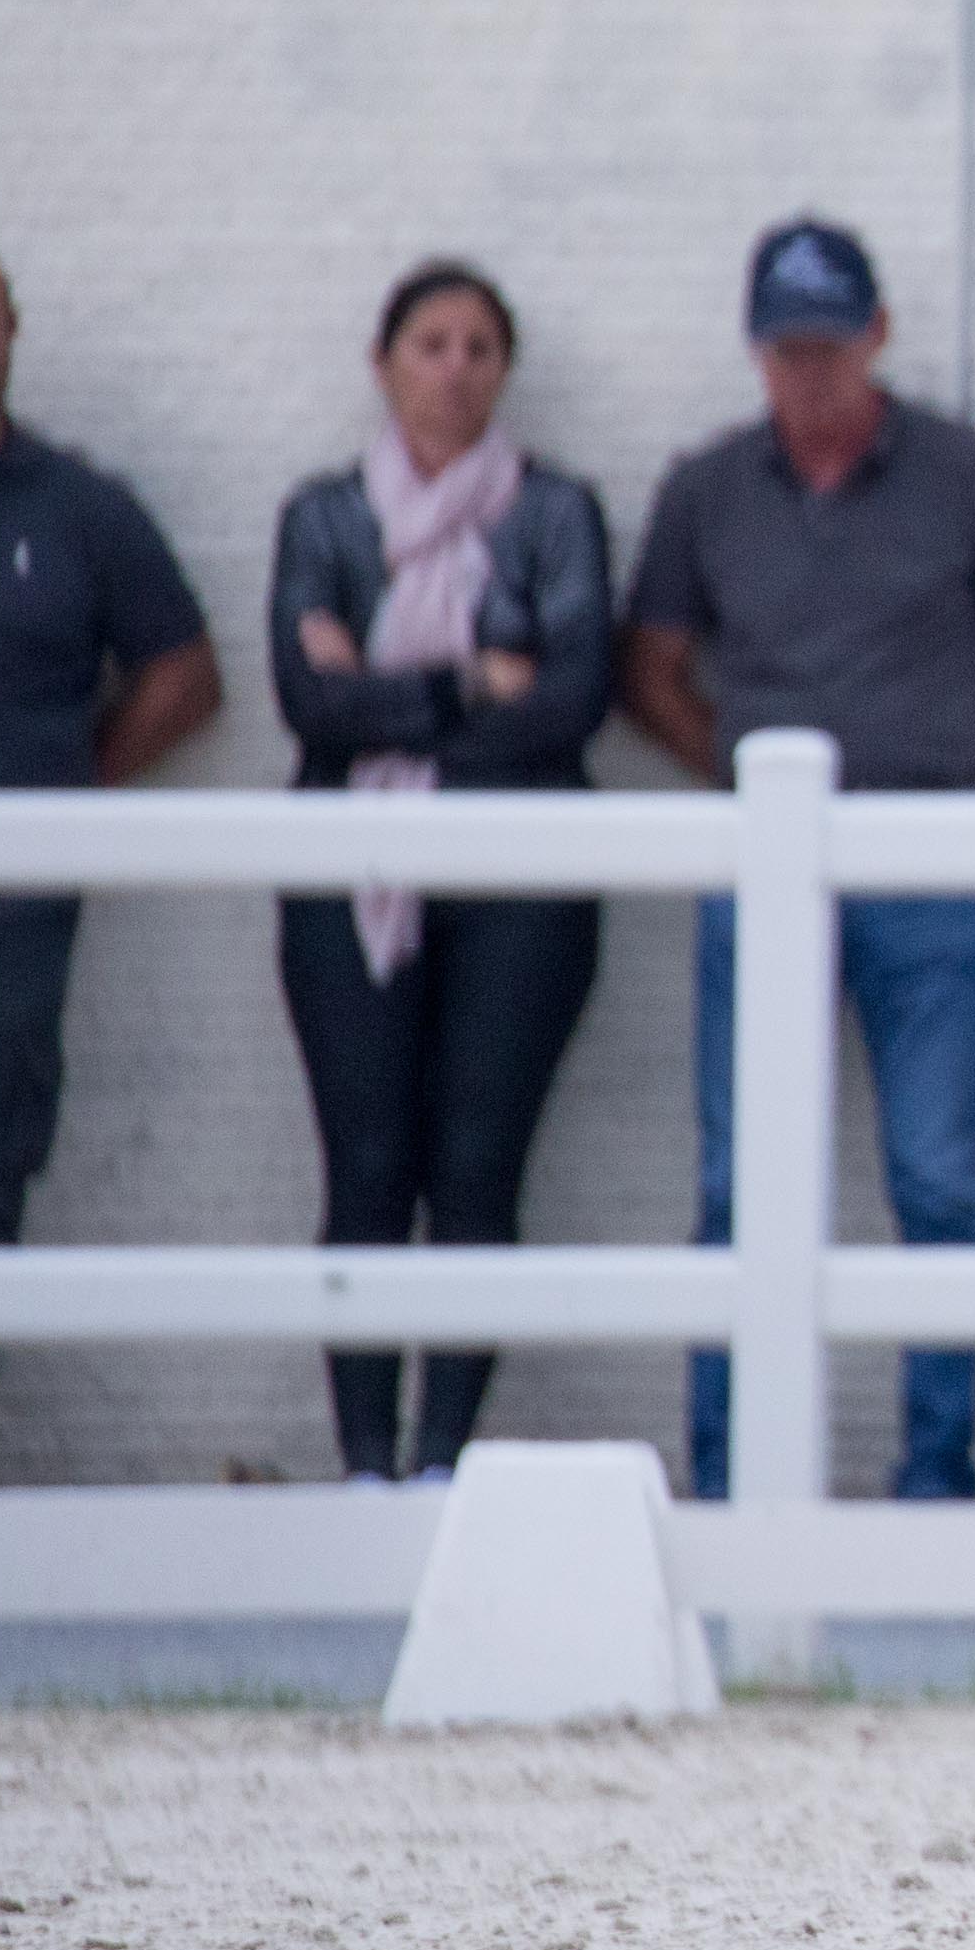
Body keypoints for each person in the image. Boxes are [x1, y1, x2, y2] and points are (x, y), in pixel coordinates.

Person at [620, 217, 975, 1502]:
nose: (811, 375)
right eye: (788, 351)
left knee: (937, 1179)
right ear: (755, 353)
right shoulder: (708, 489)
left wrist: (953, 768)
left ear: (878, 336)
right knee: (739, 1187)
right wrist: (739, 774)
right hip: (764, 875)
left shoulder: (968, 475)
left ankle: (937, 1477)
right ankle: (730, 1482)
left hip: (927, 864)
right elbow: (650, 666)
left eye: (831, 347)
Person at [266, 260, 610, 1488]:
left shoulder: (556, 514)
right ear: (383, 362)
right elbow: (308, 704)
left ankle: (444, 1467)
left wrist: (383, 692)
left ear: (504, 369)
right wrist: (471, 678)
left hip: (522, 878)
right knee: (365, 1164)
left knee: (474, 1166)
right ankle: (363, 1464)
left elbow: (570, 700)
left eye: (477, 347)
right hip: (348, 872)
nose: (454, 369)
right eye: (430, 344)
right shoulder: (324, 516)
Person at [0, 243, 221, 1430]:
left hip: (13, 931)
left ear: (9, 331)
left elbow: (183, 671)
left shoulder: (78, 509)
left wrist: (70, 789)